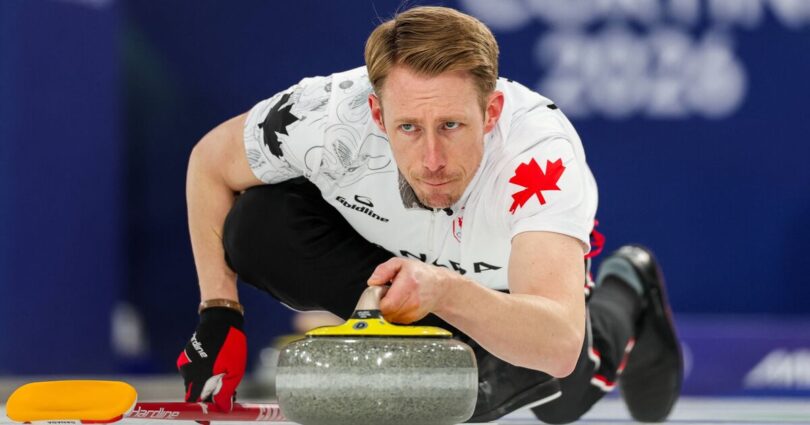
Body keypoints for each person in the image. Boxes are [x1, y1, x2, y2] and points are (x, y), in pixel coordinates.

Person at [176, 5, 682, 423]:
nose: (433, 160)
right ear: (377, 115)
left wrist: (446, 290)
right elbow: (209, 164)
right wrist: (219, 312)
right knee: (256, 226)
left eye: (451, 126)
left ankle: (629, 286)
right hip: (389, 259)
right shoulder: (325, 120)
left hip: (503, 289)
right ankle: (428, 343)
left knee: (560, 401)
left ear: (491, 112)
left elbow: (558, 344)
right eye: (409, 128)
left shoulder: (539, 157)